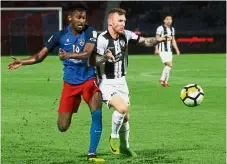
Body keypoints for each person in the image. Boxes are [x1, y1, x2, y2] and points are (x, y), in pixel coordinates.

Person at [8, 5, 108, 162]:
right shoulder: (59, 36)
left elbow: (88, 53)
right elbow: (39, 57)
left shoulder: (90, 31)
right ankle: (70, 119)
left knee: (97, 110)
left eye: (84, 18)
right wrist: (23, 62)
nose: (82, 21)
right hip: (70, 84)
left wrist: (68, 54)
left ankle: (92, 153)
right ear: (70, 18)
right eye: (79, 18)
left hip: (89, 79)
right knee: (62, 127)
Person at [92, 8, 170, 157]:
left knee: (125, 116)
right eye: (120, 21)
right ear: (110, 22)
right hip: (106, 82)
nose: (123, 24)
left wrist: (157, 40)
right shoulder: (102, 39)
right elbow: (92, 60)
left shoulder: (126, 35)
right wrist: (105, 58)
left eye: (124, 21)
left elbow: (145, 42)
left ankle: (125, 147)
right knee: (121, 109)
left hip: (122, 82)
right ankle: (113, 138)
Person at [155, 14, 180, 87]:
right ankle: (162, 79)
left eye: (170, 19)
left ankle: (164, 82)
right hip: (162, 50)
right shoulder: (160, 28)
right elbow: (156, 39)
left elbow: (173, 40)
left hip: (169, 50)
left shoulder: (172, 29)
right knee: (170, 65)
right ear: (164, 20)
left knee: (168, 66)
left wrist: (177, 49)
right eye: (167, 19)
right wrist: (156, 48)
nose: (169, 21)